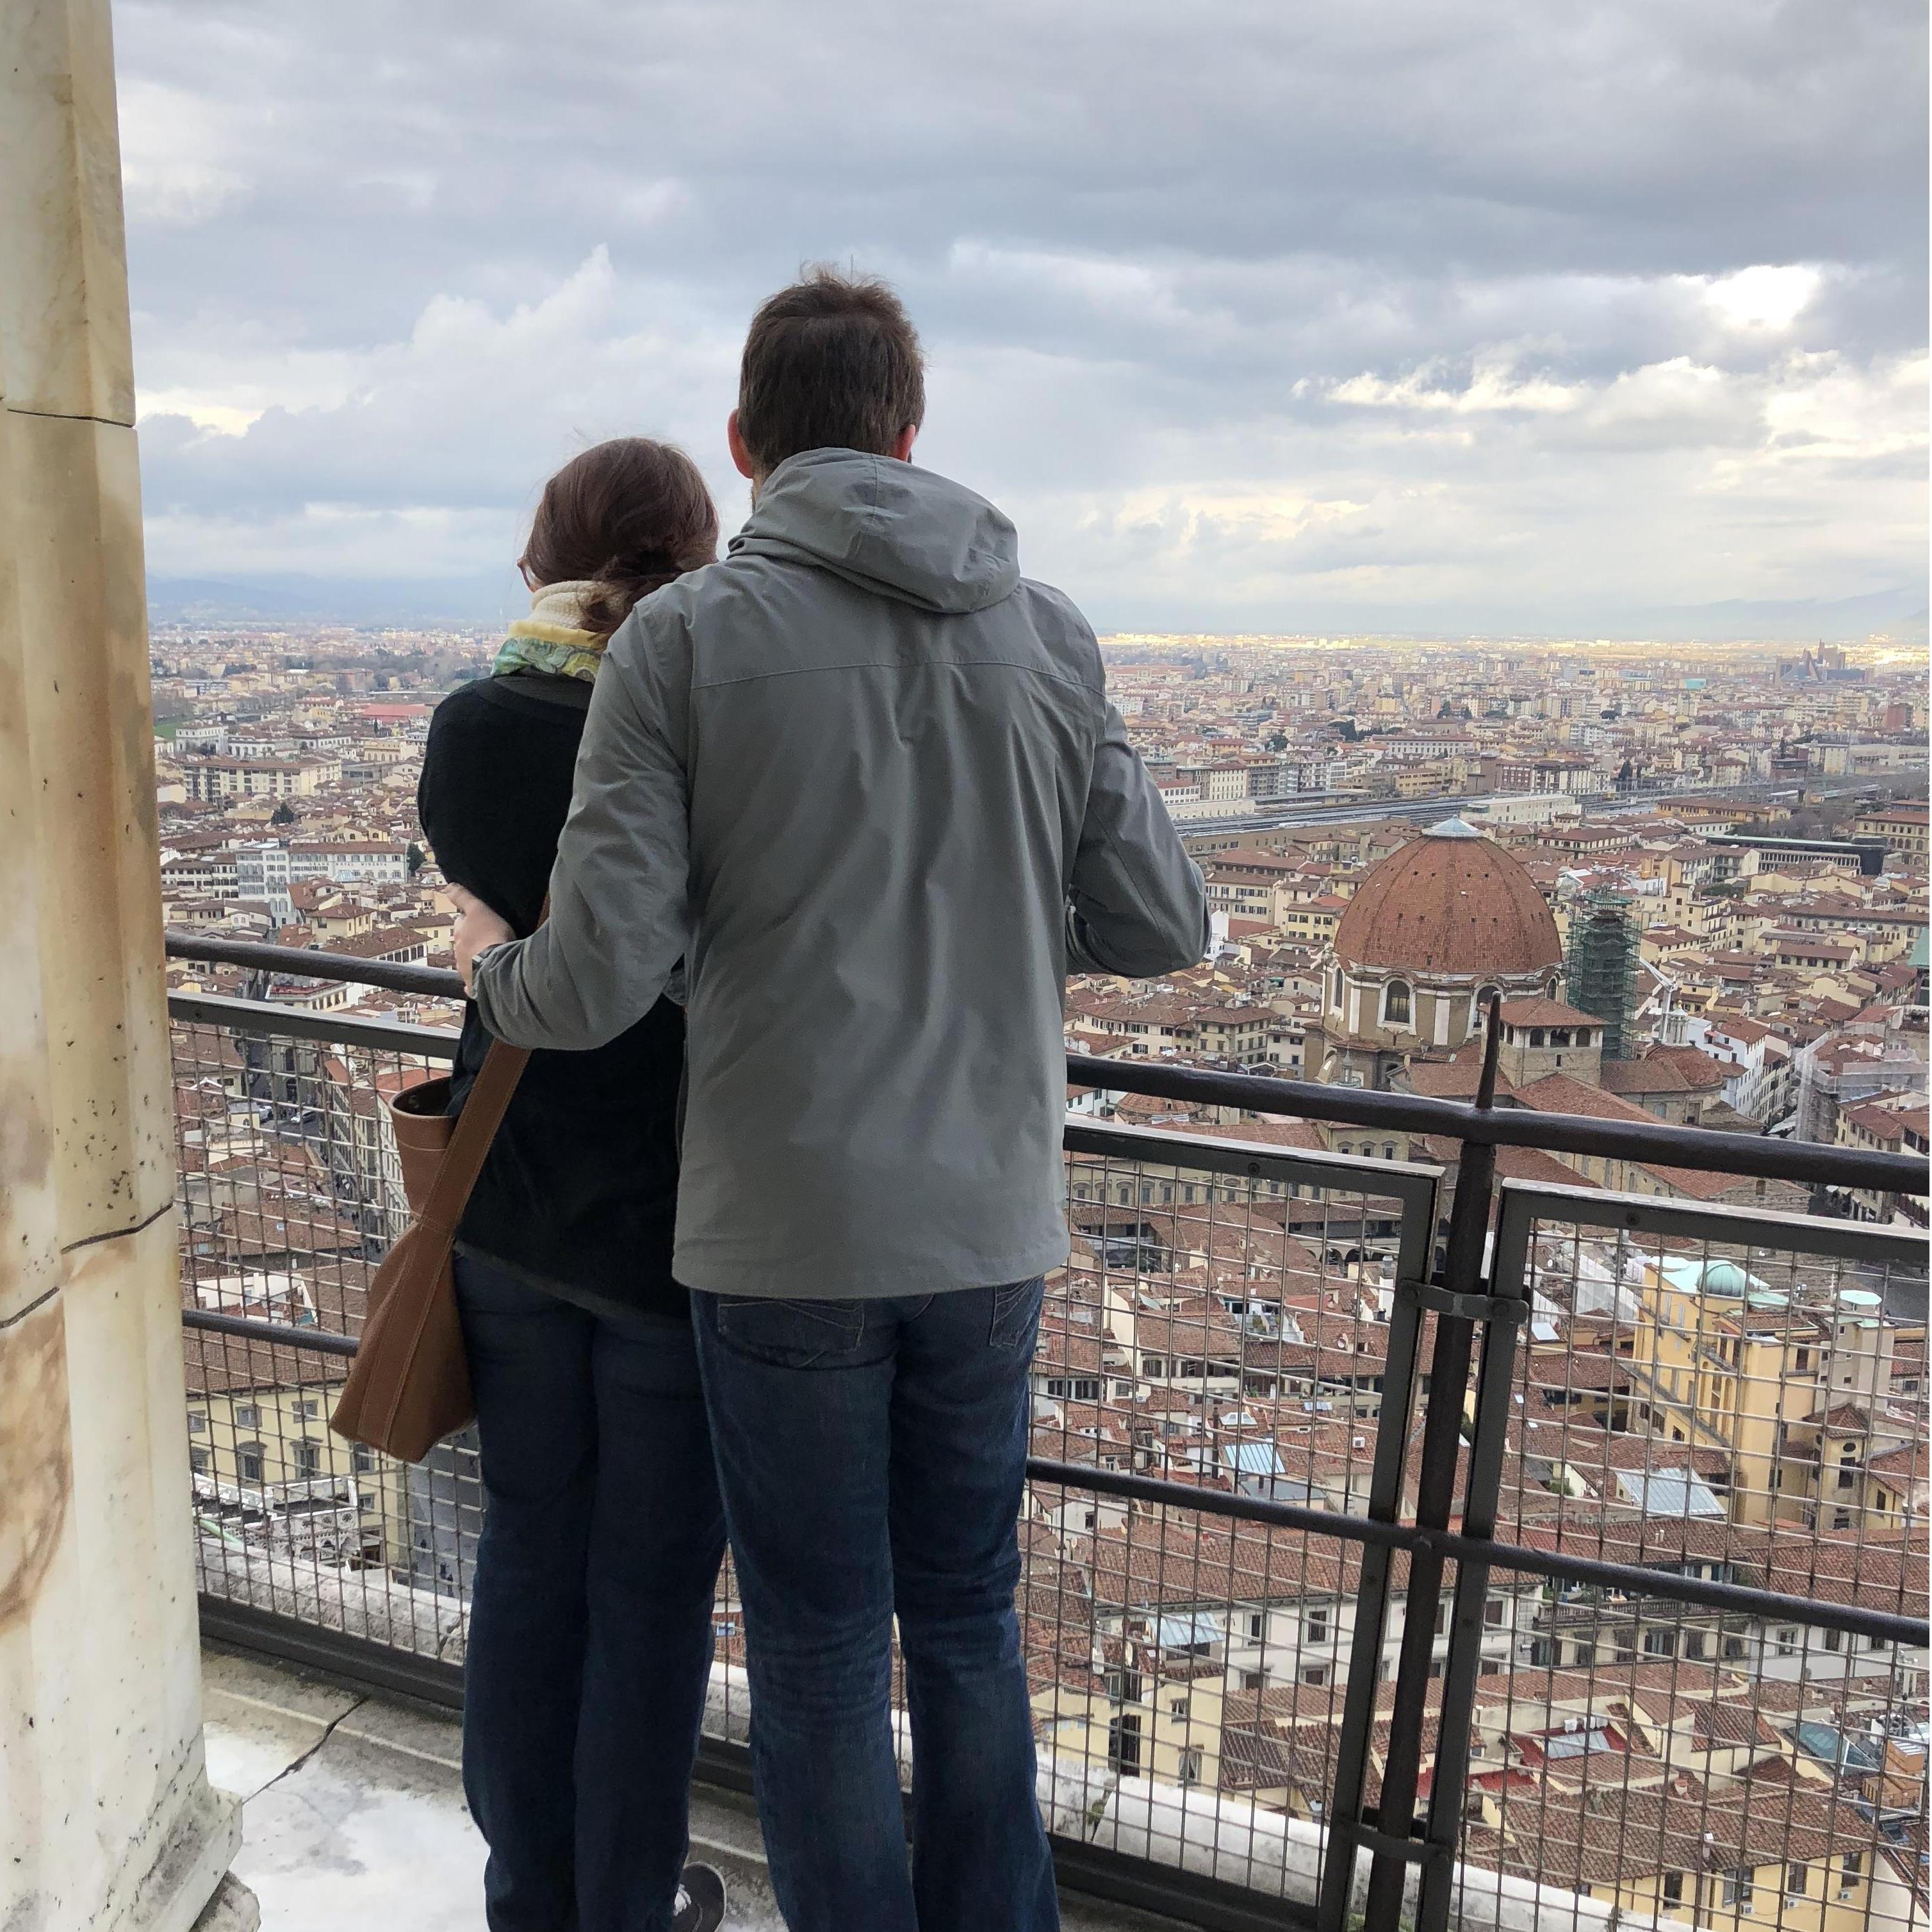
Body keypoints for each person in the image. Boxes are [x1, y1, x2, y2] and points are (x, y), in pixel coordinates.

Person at [455, 270, 1208, 1932]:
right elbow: (1167, 921)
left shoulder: (685, 642)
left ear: (745, 447)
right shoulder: (1051, 632)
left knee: (810, 1638)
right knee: (967, 1622)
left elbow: (588, 981)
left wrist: (485, 981)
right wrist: (1004, 923)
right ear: (911, 431)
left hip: (780, 1228)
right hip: (989, 1217)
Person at [421, 438, 730, 1932]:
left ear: (546, 548)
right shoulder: (704, 726)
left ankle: (524, 1891)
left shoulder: (472, 722)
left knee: (529, 1554)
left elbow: (488, 921)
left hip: (509, 1197)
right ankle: (626, 1898)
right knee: (652, 1594)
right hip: (679, 1213)